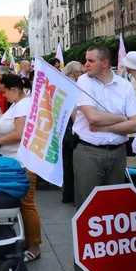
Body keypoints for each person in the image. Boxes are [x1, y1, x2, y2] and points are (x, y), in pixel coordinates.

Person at [72, 45, 136, 271]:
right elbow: (91, 118)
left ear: (105, 63)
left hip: (117, 153)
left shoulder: (124, 86)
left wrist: (108, 123)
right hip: (88, 153)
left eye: (90, 60)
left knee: (114, 212)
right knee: (87, 211)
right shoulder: (83, 81)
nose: (86, 64)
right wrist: (123, 118)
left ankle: (110, 266)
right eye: (85, 60)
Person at [0, 74, 41, 263]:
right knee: (20, 204)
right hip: (12, 161)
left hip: (22, 162)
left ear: (13, 89)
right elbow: (6, 123)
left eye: (4, 91)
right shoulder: (17, 104)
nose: (2, 95)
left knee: (27, 205)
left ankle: (34, 245)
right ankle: (24, 240)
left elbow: (20, 133)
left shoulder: (23, 105)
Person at [60, 61, 83, 204]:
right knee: (76, 165)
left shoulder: (62, 85)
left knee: (67, 165)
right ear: (74, 72)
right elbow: (74, 110)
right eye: (80, 71)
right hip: (72, 130)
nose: (82, 74)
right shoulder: (74, 86)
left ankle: (67, 194)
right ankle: (75, 196)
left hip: (64, 131)